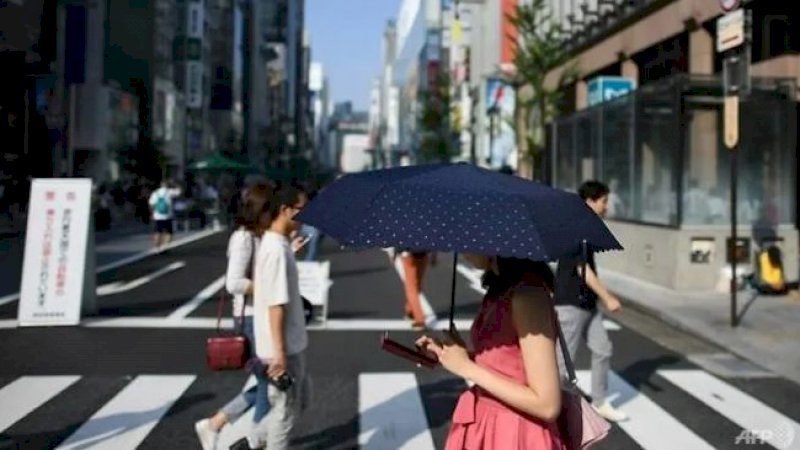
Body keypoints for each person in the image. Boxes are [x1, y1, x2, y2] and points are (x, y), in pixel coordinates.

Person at [416, 255, 565, 449]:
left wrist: (467, 368)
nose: (462, 251)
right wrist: (453, 355)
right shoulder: (501, 289)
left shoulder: (528, 297)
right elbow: (505, 364)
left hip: (517, 434)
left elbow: (547, 404)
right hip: (490, 424)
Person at [231, 182, 311, 450]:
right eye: (302, 210)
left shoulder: (276, 244)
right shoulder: (276, 250)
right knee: (285, 412)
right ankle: (256, 444)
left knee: (299, 401)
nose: (305, 216)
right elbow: (276, 305)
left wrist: (291, 250)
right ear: (286, 210)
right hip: (283, 347)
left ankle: (250, 443)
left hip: (290, 344)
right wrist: (279, 354)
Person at [194, 182, 273, 450]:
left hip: (261, 315)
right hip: (250, 318)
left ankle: (216, 424)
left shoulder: (262, 235)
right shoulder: (243, 238)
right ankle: (256, 442)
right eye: (269, 208)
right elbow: (233, 282)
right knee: (269, 383)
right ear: (258, 209)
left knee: (269, 382)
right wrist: (268, 284)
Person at [554, 180, 628, 422]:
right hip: (570, 303)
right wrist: (608, 297)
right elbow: (582, 267)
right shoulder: (578, 227)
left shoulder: (587, 226)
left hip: (586, 303)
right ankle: (554, 409)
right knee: (564, 364)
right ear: (590, 201)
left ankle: (599, 402)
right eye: (603, 201)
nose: (606, 207)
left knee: (603, 349)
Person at [148, 179, 181, 250]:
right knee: (169, 232)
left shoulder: (155, 193)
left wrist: (152, 214)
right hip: (168, 215)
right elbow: (179, 191)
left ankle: (157, 247)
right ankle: (165, 246)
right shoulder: (169, 192)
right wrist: (175, 184)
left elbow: (151, 204)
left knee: (158, 231)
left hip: (157, 216)